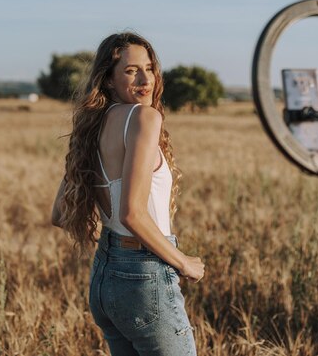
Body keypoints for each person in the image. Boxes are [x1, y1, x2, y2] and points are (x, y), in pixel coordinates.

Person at [51, 32, 205, 356]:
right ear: (108, 79)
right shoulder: (144, 118)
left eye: (149, 68)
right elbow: (132, 213)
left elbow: (60, 215)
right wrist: (184, 263)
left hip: (105, 277)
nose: (145, 79)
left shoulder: (91, 126)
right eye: (131, 70)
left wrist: (115, 247)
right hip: (144, 275)